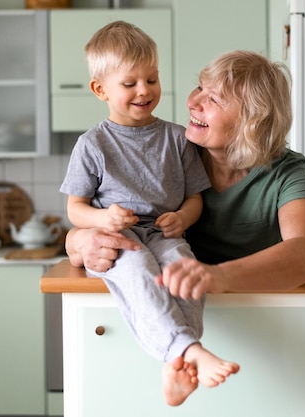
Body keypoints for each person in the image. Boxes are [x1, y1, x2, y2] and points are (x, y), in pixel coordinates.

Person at [65, 50, 305, 405]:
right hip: (168, 336)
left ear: (252, 119)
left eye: (213, 98)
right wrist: (81, 240)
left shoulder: (287, 173)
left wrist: (218, 276)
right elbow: (87, 225)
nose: (193, 102)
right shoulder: (174, 153)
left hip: (260, 342)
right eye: (198, 88)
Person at [59, 21, 240, 406]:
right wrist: (101, 219)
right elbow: (75, 209)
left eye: (152, 79)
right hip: (117, 240)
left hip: (165, 234)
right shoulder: (92, 144)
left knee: (184, 272)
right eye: (130, 84)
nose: (145, 90)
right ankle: (189, 352)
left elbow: (195, 198)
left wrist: (183, 219)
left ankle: (177, 360)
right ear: (100, 89)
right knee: (139, 271)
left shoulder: (178, 138)